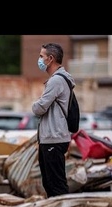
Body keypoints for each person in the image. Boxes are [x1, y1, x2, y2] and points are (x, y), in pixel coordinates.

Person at [32, 43, 76, 198]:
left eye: (41, 56)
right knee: (49, 184)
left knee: (56, 186)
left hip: (54, 139)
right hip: (51, 138)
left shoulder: (56, 81)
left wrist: (34, 104)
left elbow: (39, 108)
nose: (39, 60)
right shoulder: (57, 80)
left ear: (50, 59)